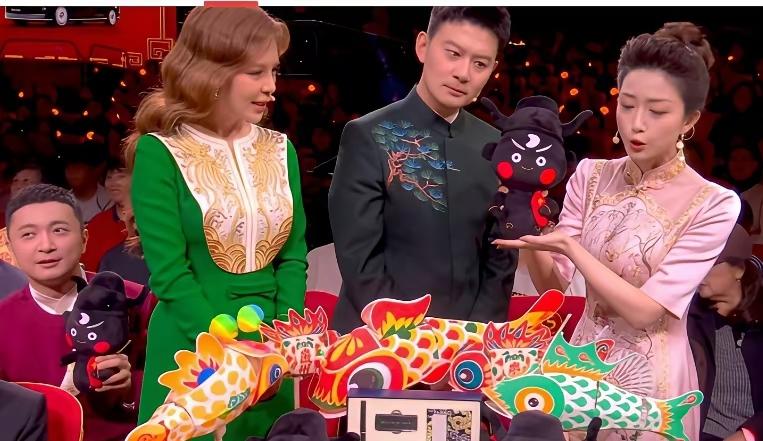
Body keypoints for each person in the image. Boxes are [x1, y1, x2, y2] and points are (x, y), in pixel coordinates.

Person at [494, 23, 740, 440]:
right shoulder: (590, 176)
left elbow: (646, 311)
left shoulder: (712, 203)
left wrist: (571, 247)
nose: (636, 124)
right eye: (626, 105)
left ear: (689, 120)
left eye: (657, 112)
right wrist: (532, 232)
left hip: (653, 381)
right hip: (580, 371)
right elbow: (553, 285)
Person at [124, 6, 307, 440]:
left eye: (274, 71)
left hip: (271, 348)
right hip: (194, 348)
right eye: (255, 72)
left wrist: (283, 338)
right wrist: (226, 350)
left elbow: (293, 254)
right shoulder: (159, 152)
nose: (271, 86)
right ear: (211, 73)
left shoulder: (281, 148)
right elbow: (169, 273)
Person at [328, 7, 516, 333]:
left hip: (467, 343)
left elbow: (501, 256)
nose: (463, 73)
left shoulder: (496, 147)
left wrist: (472, 335)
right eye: (453, 54)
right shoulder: (368, 135)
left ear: (492, 69)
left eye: (480, 64)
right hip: (377, 338)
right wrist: (407, 337)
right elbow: (359, 258)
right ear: (423, 46)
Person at [0, 184, 153, 441]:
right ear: (9, 246)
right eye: (28, 234)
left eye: (59, 230)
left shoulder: (138, 301)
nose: (46, 245)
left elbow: (178, 388)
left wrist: (129, 392)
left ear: (84, 238)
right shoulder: (3, 321)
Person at [690, 224, 763, 441]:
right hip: (696, 432)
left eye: (709, 261)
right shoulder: (688, 317)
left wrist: (748, 435)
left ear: (738, 270)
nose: (697, 271)